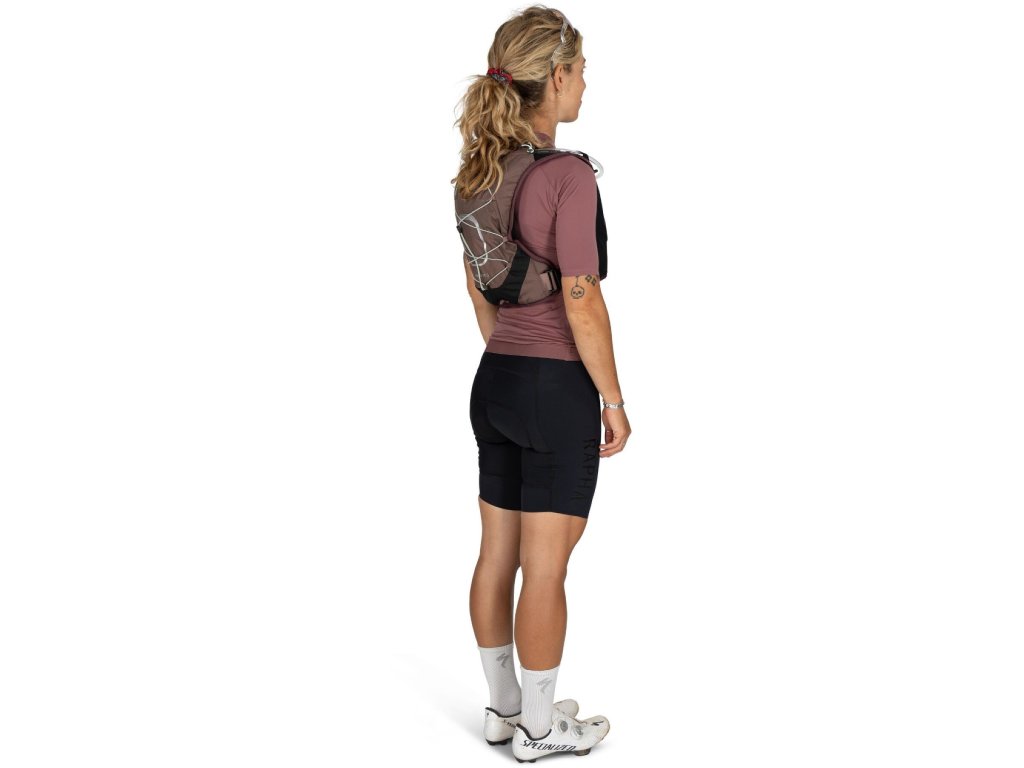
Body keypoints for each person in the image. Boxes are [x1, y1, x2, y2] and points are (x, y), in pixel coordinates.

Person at [451, 6, 631, 763]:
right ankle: (539, 729)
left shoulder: (479, 170)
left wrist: (514, 363)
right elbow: (581, 298)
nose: (586, 82)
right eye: (581, 70)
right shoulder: (567, 177)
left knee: (498, 553)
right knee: (547, 567)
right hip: (555, 390)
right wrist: (612, 400)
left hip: (495, 381)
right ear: (555, 76)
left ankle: (504, 710)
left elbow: (477, 287)